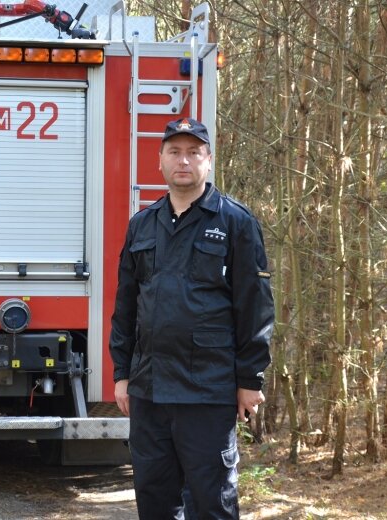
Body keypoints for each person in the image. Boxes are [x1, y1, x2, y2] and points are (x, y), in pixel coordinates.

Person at [109, 117, 274, 519]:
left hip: (208, 390)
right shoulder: (142, 225)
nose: (184, 161)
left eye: (193, 152)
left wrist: (249, 380)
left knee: (211, 499)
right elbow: (126, 304)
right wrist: (122, 373)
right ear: (160, 161)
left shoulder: (236, 222)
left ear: (208, 161)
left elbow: (255, 306)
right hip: (149, 389)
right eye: (175, 152)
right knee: (154, 497)